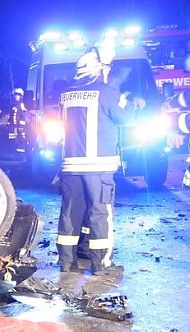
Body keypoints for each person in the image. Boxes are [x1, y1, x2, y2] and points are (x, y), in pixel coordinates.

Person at [57, 45, 133, 276]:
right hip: (98, 168)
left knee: (70, 213)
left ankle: (66, 262)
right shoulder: (105, 91)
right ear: (95, 69)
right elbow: (124, 118)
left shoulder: (66, 94)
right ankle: (101, 264)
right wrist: (125, 102)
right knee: (100, 213)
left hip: (71, 166)